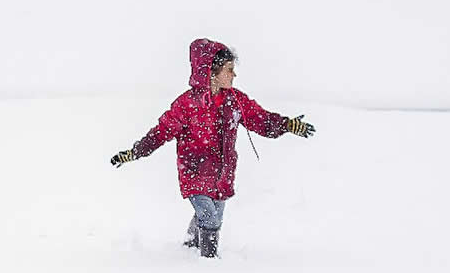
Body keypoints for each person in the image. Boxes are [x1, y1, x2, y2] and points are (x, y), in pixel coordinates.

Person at [110, 39, 315, 257]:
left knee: (213, 215)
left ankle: (190, 245)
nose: (233, 75)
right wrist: (135, 152)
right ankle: (209, 263)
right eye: (229, 70)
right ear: (212, 72)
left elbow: (260, 119)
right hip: (195, 171)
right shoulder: (187, 104)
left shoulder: (235, 100)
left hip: (222, 174)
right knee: (210, 218)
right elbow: (161, 132)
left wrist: (287, 125)